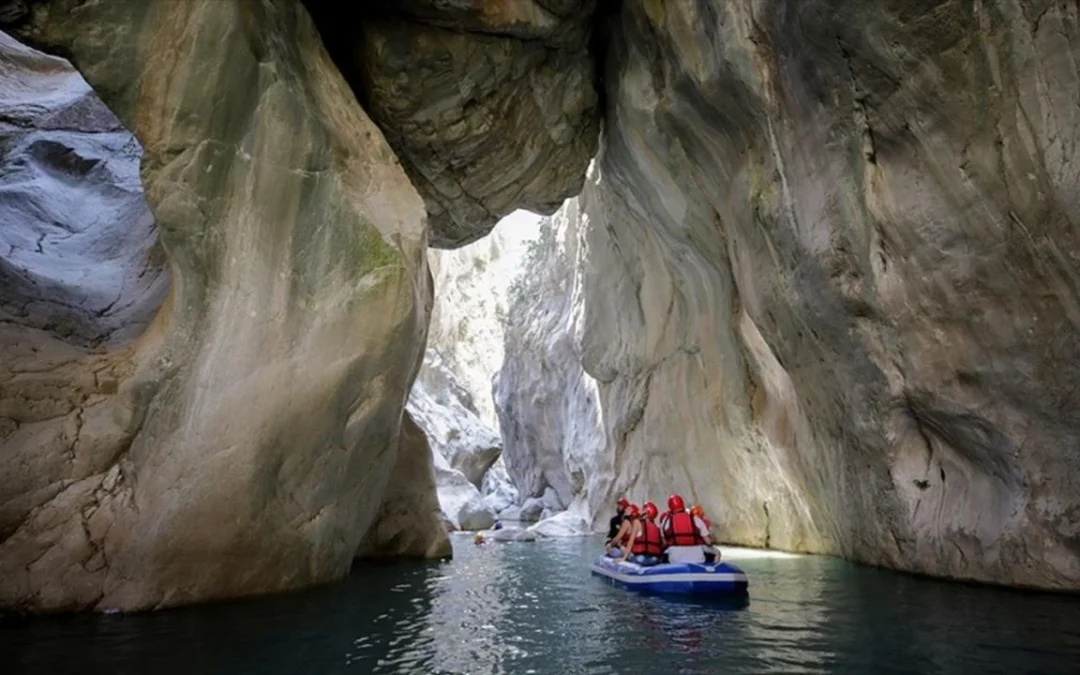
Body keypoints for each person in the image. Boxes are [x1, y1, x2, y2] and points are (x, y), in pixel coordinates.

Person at [660, 494, 713, 564]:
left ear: (670, 506)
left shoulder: (665, 521)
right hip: (697, 559)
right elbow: (708, 542)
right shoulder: (695, 518)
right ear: (682, 504)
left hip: (676, 560)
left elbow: (664, 543)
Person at [627, 501, 664, 566]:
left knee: (626, 553)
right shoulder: (657, 528)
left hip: (640, 559)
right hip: (654, 560)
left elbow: (630, 543)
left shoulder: (638, 523)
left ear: (646, 513)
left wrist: (623, 558)